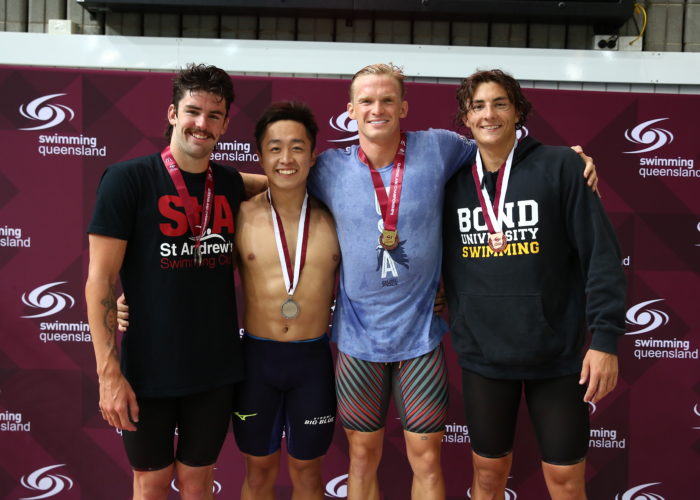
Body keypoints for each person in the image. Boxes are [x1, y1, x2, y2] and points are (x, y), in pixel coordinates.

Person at [307, 63, 599, 499]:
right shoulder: (327, 168)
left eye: (388, 99)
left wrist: (572, 160)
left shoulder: (442, 147)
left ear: (404, 106)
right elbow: (280, 184)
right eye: (366, 101)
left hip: (421, 338)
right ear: (350, 111)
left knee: (426, 460)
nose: (377, 109)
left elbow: (500, 149)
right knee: (361, 457)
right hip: (357, 341)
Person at [442, 69, 626, 499]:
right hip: (484, 355)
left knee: (565, 481)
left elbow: (601, 255)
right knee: (487, 477)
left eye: (500, 103)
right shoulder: (450, 181)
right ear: (466, 119)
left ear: (519, 111)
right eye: (478, 106)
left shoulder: (562, 166)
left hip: (556, 358)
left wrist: (606, 340)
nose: (489, 114)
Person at [85, 63, 260, 500]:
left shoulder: (233, 183)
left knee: (198, 482)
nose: (202, 124)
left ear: (224, 123)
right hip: (147, 367)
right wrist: (108, 374)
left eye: (214, 115)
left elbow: (287, 182)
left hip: (215, 368)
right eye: (193, 111)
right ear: (172, 114)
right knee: (151, 482)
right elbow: (101, 282)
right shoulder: (127, 180)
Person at [231, 101, 340, 499]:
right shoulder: (240, 216)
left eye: (297, 147)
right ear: (259, 156)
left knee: (308, 474)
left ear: (313, 154)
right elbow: (196, 278)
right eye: (274, 148)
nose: (286, 158)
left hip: (312, 362)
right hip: (256, 361)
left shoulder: (335, 217)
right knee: (258, 473)